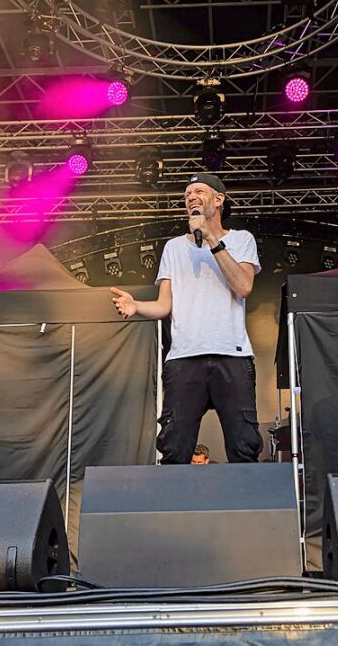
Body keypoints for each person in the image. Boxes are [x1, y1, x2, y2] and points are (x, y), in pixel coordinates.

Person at [111, 173, 263, 464]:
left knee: (244, 444)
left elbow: (243, 286)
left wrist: (210, 238)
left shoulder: (241, 240)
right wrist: (136, 306)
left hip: (231, 353)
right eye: (187, 194)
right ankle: (170, 508)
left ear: (218, 200)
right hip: (184, 357)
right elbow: (164, 306)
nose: (191, 197)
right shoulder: (174, 247)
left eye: (199, 191)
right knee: (174, 445)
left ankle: (246, 507)